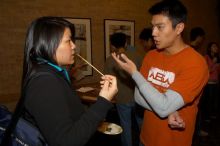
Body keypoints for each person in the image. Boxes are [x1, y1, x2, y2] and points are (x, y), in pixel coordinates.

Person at [112, 0, 209, 146]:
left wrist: (135, 74)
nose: (153, 33)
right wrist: (168, 110)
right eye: (153, 27)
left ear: (179, 28)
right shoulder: (152, 55)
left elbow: (162, 107)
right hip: (145, 139)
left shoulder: (195, 63)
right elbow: (138, 97)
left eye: (160, 27)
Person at [21, 16, 118, 146]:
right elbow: (66, 141)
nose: (74, 46)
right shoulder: (44, 83)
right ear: (49, 43)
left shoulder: (52, 73)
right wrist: (103, 102)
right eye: (68, 41)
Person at [104, 32, 141, 146]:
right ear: (126, 43)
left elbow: (108, 81)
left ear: (113, 46)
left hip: (122, 98)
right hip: (138, 97)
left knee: (126, 126)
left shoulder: (110, 60)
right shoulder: (136, 54)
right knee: (142, 125)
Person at [204, 42, 220, 119]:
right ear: (210, 48)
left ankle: (212, 115)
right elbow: (206, 70)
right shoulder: (206, 57)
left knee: (215, 100)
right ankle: (207, 116)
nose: (216, 48)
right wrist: (213, 63)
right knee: (209, 101)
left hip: (216, 83)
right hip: (209, 83)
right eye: (214, 46)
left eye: (216, 46)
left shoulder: (218, 58)